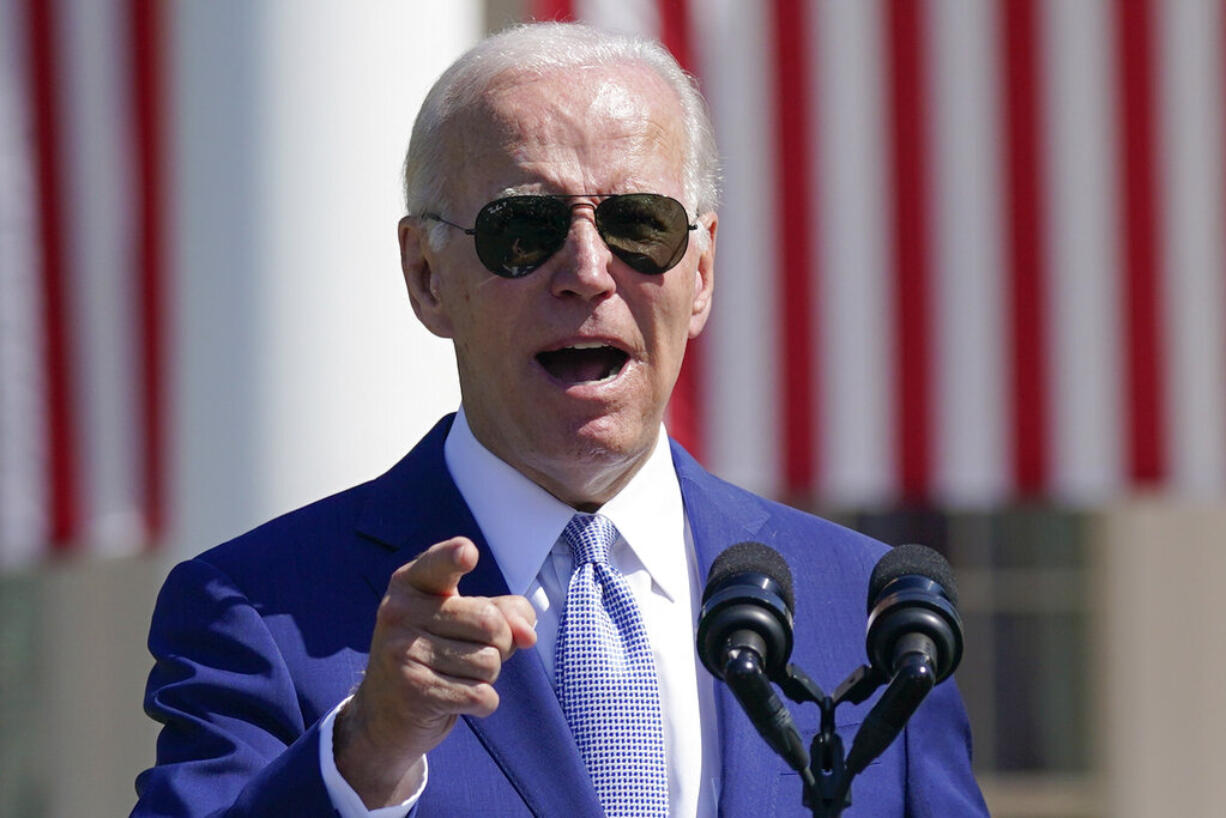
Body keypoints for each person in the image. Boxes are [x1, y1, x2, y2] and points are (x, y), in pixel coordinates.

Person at [133, 22, 987, 818]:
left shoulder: (869, 613)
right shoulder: (260, 610)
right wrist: (364, 752)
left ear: (703, 270)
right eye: (525, 229)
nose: (586, 270)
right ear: (427, 275)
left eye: (638, 225)